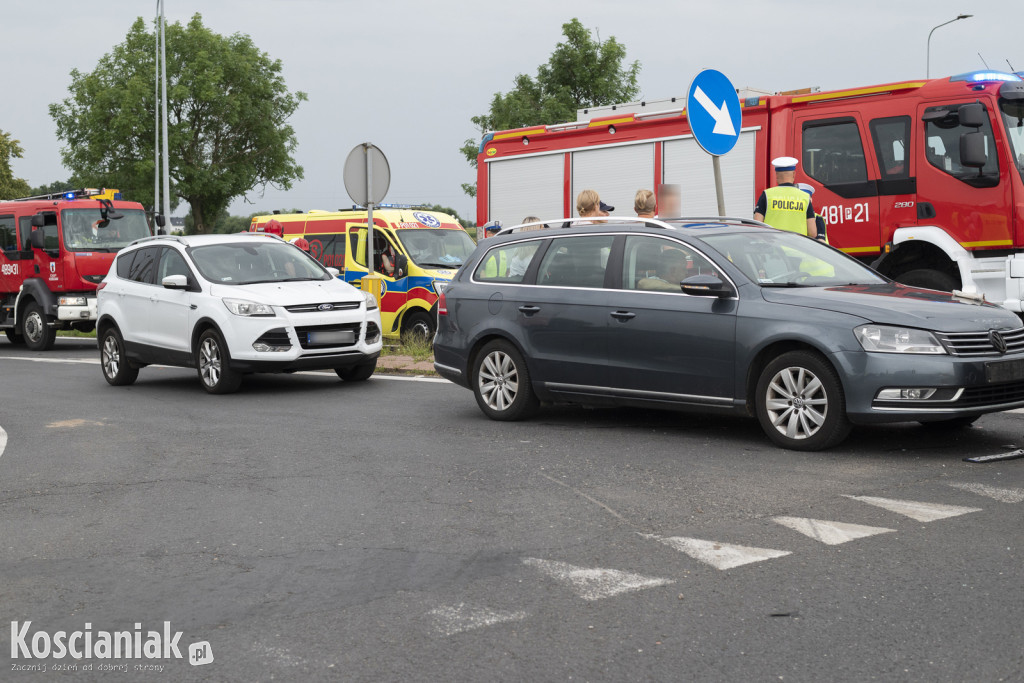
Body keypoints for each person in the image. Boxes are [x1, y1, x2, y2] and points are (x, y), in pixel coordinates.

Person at [754, 157, 817, 238]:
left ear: (776, 175)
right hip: (797, 248)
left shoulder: (767, 195)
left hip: (774, 248)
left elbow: (757, 224)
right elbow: (812, 232)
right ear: (794, 174)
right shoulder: (805, 197)